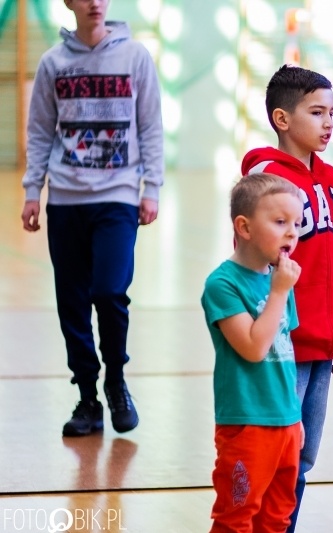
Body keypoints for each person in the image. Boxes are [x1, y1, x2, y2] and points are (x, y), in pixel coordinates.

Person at [20, 0, 163, 437]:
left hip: (117, 196)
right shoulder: (53, 63)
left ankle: (116, 380)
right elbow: (41, 129)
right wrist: (33, 189)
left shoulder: (135, 57)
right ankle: (87, 395)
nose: (95, 2)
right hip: (65, 199)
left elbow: (150, 125)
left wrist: (151, 187)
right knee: (72, 303)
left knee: (109, 290)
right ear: (68, 3)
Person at [240, 64, 333, 532]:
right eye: (316, 112)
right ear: (282, 119)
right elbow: (248, 260)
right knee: (273, 450)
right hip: (281, 342)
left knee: (303, 456)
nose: (328, 123)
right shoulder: (267, 174)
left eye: (332, 112)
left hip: (322, 342)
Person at [201, 173, 305, 532]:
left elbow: (283, 349)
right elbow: (254, 348)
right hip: (247, 423)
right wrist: (278, 292)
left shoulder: (279, 279)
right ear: (243, 227)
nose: (292, 232)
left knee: (276, 518)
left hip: (286, 422)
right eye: (280, 222)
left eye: (297, 223)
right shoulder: (223, 284)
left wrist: (294, 418)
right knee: (237, 515)